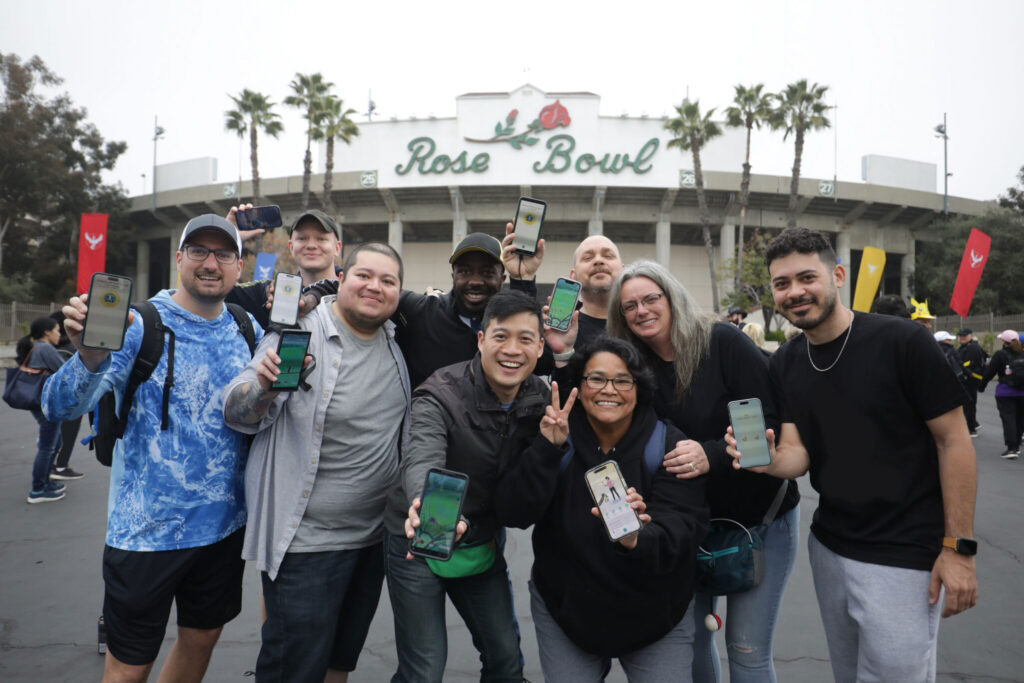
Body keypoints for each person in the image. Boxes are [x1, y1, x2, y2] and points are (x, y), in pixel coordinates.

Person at [730, 227, 977, 682]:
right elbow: (797, 455)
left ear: (838, 274)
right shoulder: (786, 359)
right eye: (782, 284)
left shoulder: (903, 343)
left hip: (905, 554)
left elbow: (954, 441)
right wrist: (766, 460)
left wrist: (958, 548)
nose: (794, 292)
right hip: (830, 547)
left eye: (807, 277)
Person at [42, 214, 261, 683]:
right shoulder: (140, 324)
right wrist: (90, 356)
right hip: (145, 534)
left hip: (224, 530)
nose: (210, 263)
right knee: (128, 668)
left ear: (239, 267)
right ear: (178, 258)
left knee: (201, 641)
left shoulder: (247, 329)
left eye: (224, 253)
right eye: (198, 251)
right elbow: (57, 405)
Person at [605, 260, 800, 683]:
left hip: (759, 519)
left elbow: (767, 418)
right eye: (630, 306)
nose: (642, 311)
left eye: (650, 299)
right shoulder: (634, 368)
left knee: (746, 651)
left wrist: (711, 454)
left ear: (671, 297)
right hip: (686, 526)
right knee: (691, 645)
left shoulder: (722, 342)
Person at [223, 242, 409, 683]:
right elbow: (235, 409)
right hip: (307, 545)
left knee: (338, 663)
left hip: (370, 542)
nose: (375, 287)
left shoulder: (396, 338)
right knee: (293, 671)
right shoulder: (298, 330)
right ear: (341, 279)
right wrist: (265, 390)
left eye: (388, 281)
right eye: (364, 275)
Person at [517, 336, 708, 681]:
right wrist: (546, 452)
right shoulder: (556, 434)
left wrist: (638, 538)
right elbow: (515, 512)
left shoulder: (668, 445)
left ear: (639, 388)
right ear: (579, 384)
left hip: (656, 613)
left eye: (623, 380)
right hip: (567, 610)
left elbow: (685, 528)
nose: (609, 390)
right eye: (596, 379)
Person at [385, 290, 551, 683]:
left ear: (540, 347)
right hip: (422, 537)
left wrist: (551, 445)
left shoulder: (541, 400)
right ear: (481, 339)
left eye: (526, 339)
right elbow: (422, 451)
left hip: (481, 541)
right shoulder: (440, 392)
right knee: (423, 670)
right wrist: (425, 504)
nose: (512, 350)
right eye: (501, 336)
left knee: (507, 661)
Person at [226, 207, 342, 329]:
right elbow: (214, 291)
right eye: (302, 238)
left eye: (321, 239)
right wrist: (227, 238)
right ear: (291, 247)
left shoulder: (355, 290)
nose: (311, 245)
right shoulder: (269, 292)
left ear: (337, 248)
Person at [18, 317, 68, 503]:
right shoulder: (45, 348)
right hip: (45, 404)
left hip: (41, 402)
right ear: (47, 332)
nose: (59, 334)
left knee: (55, 443)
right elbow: (64, 370)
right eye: (57, 330)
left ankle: (46, 482)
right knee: (48, 447)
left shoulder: (38, 347)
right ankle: (38, 490)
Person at [47, 311, 85, 481]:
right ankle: (59, 466)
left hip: (51, 399)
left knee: (52, 436)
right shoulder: (71, 348)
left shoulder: (52, 347)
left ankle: (51, 466)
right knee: (66, 435)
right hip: (70, 400)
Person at [568, 234, 624, 347]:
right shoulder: (560, 330)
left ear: (624, 271)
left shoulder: (641, 321)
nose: (598, 260)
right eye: (588, 258)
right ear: (573, 276)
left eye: (608, 256)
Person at [980, 329, 1024, 459]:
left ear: (1004, 342)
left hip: (1005, 392)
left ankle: (1011, 449)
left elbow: (989, 373)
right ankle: (1016, 445)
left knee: (1008, 419)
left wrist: (981, 386)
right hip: (1022, 393)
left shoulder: (1000, 355)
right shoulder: (1022, 353)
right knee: (1020, 419)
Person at [957, 328, 988, 437]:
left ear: (970, 336)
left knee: (968, 404)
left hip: (970, 379)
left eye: (964, 336)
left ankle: (972, 429)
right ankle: (973, 423)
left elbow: (967, 364)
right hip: (968, 379)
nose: (962, 337)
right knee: (968, 404)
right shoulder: (966, 347)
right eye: (960, 335)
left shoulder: (972, 348)